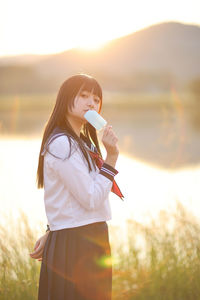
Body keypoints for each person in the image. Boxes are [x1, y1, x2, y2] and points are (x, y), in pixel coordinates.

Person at [30, 74, 122, 300]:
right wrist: (112, 158)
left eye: (96, 99)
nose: (92, 103)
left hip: (87, 236)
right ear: (65, 99)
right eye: (83, 96)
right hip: (78, 243)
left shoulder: (81, 141)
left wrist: (52, 231)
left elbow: (67, 198)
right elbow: (90, 198)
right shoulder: (63, 144)